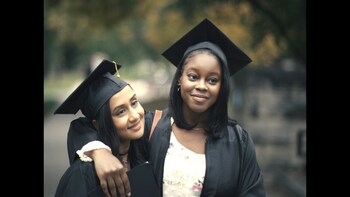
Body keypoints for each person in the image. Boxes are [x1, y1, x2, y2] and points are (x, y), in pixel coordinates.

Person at [68, 18, 266, 197]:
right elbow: (87, 126)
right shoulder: (150, 127)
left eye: (212, 80)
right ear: (180, 78)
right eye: (193, 76)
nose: (201, 86)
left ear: (222, 86)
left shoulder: (238, 141)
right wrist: (99, 152)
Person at [53, 60, 158, 197]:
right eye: (121, 112)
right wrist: (98, 152)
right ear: (97, 124)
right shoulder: (83, 173)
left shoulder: (146, 146)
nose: (134, 116)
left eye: (134, 103)